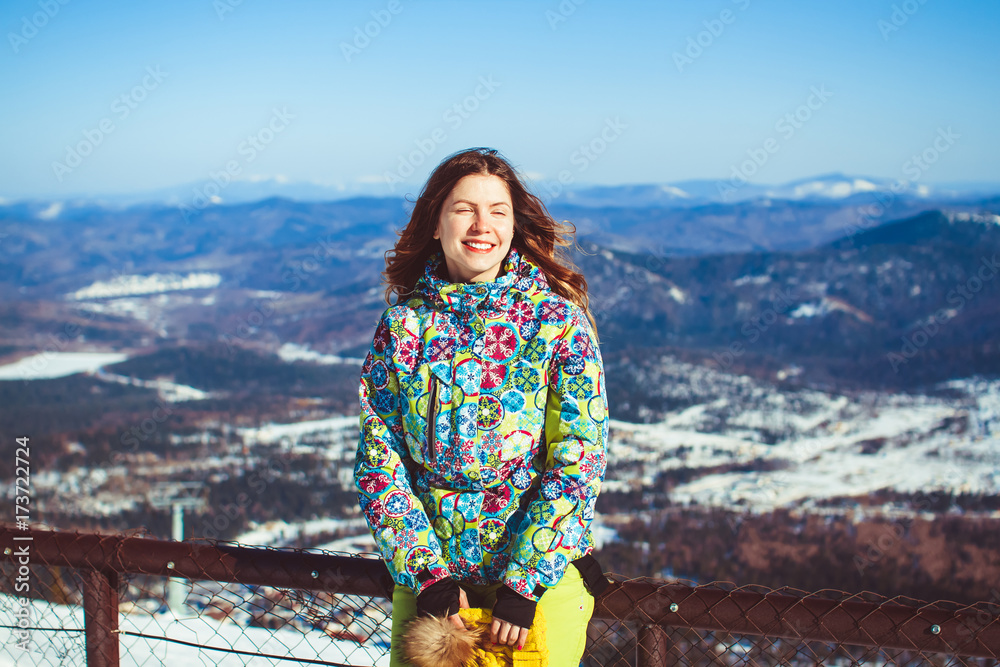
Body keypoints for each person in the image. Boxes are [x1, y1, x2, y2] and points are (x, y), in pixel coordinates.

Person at [355, 147, 609, 667]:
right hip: (436, 595)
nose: (481, 224)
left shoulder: (556, 322)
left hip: (536, 590)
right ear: (435, 223)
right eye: (463, 208)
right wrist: (429, 579)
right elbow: (381, 461)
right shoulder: (404, 328)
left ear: (515, 226)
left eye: (498, 210)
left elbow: (579, 456)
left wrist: (524, 583)